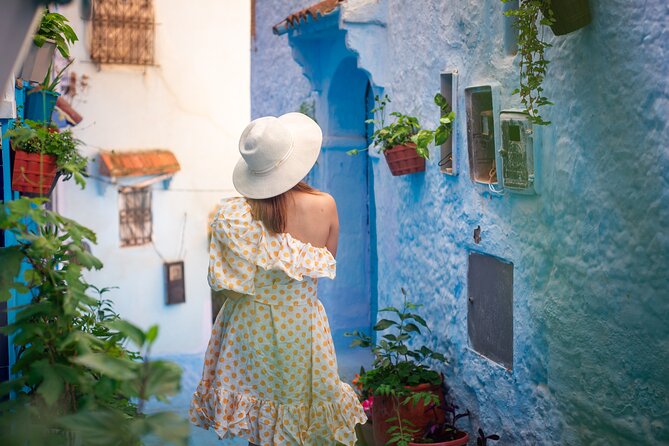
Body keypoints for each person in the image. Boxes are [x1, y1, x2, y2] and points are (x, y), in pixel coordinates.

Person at [190, 113, 367, 445]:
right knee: (302, 421)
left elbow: (231, 280)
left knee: (261, 425)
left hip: (250, 326)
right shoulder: (325, 205)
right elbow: (326, 262)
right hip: (301, 326)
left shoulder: (236, 216)